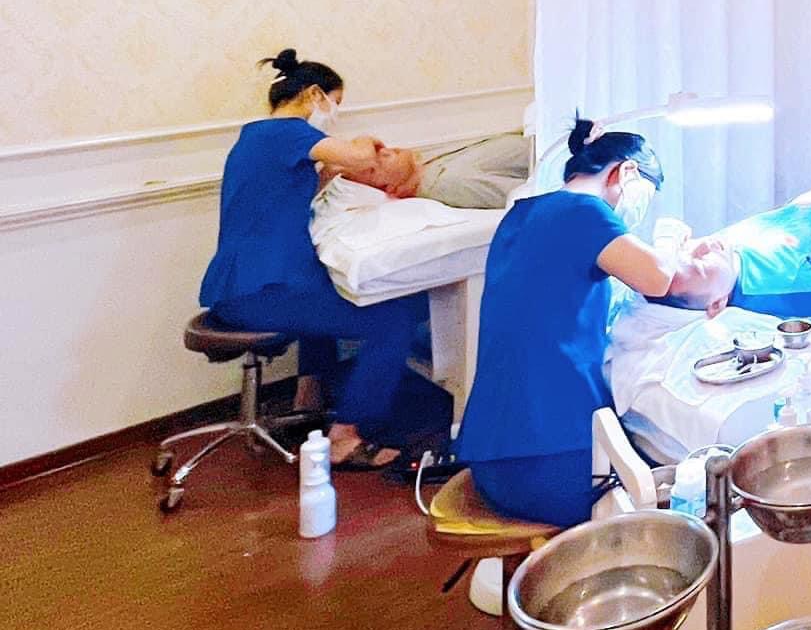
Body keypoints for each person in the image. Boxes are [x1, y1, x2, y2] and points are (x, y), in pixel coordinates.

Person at [456, 117, 732, 526]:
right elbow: (658, 277)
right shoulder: (583, 212)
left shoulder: (522, 216)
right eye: (645, 197)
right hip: (545, 457)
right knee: (680, 512)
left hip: (491, 453)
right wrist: (670, 238)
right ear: (626, 172)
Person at [200, 50, 428, 471]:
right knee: (393, 320)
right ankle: (346, 437)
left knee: (324, 290)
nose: (333, 115)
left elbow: (285, 196)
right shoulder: (284, 132)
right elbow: (359, 158)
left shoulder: (258, 139)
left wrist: (326, 177)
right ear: (313, 95)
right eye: (334, 103)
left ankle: (308, 398)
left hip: (243, 286)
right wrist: (368, 146)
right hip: (256, 292)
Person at [665, 182, 811, 322]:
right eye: (699, 266)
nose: (702, 245)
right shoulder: (787, 287)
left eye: (684, 246)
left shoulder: (723, 257)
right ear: (717, 303)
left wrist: (795, 207)